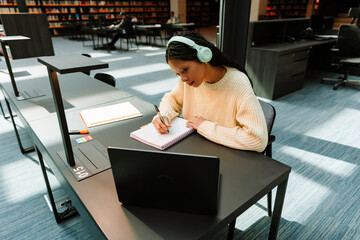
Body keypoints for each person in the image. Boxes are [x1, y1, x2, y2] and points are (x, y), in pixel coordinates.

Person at [152, 31, 268, 152]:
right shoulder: (187, 80)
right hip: (196, 148)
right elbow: (171, 101)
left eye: (185, 70)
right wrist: (164, 115)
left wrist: (204, 126)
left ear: (204, 56)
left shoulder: (238, 83)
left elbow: (257, 139)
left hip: (227, 154)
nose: (183, 78)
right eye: (178, 73)